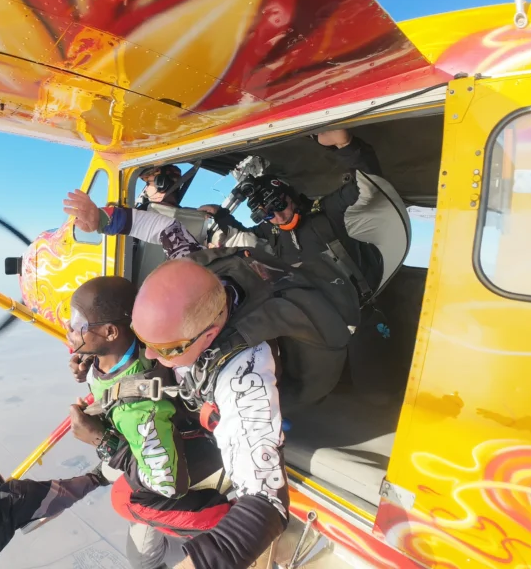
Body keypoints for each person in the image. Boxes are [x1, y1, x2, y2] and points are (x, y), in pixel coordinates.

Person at [63, 195, 361, 569]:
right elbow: (166, 229)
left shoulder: (243, 374)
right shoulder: (192, 271)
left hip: (297, 385)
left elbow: (266, 501)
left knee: (131, 498)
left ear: (207, 337)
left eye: (166, 349)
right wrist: (106, 220)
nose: (151, 357)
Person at [65, 276, 233, 568]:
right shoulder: (139, 341)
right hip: (163, 435)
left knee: (128, 507)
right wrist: (89, 365)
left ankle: (232, 524)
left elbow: (167, 486)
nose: (70, 330)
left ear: (109, 331)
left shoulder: (138, 410)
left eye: (78, 324)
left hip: (189, 457)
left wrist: (102, 441)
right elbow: (107, 364)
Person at [205, 129, 400, 301]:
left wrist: (345, 144)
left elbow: (369, 186)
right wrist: (220, 215)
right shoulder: (270, 228)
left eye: (279, 205)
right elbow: (242, 236)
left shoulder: (328, 210)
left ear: (291, 197)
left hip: (360, 302)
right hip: (316, 311)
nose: (278, 217)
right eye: (266, 214)